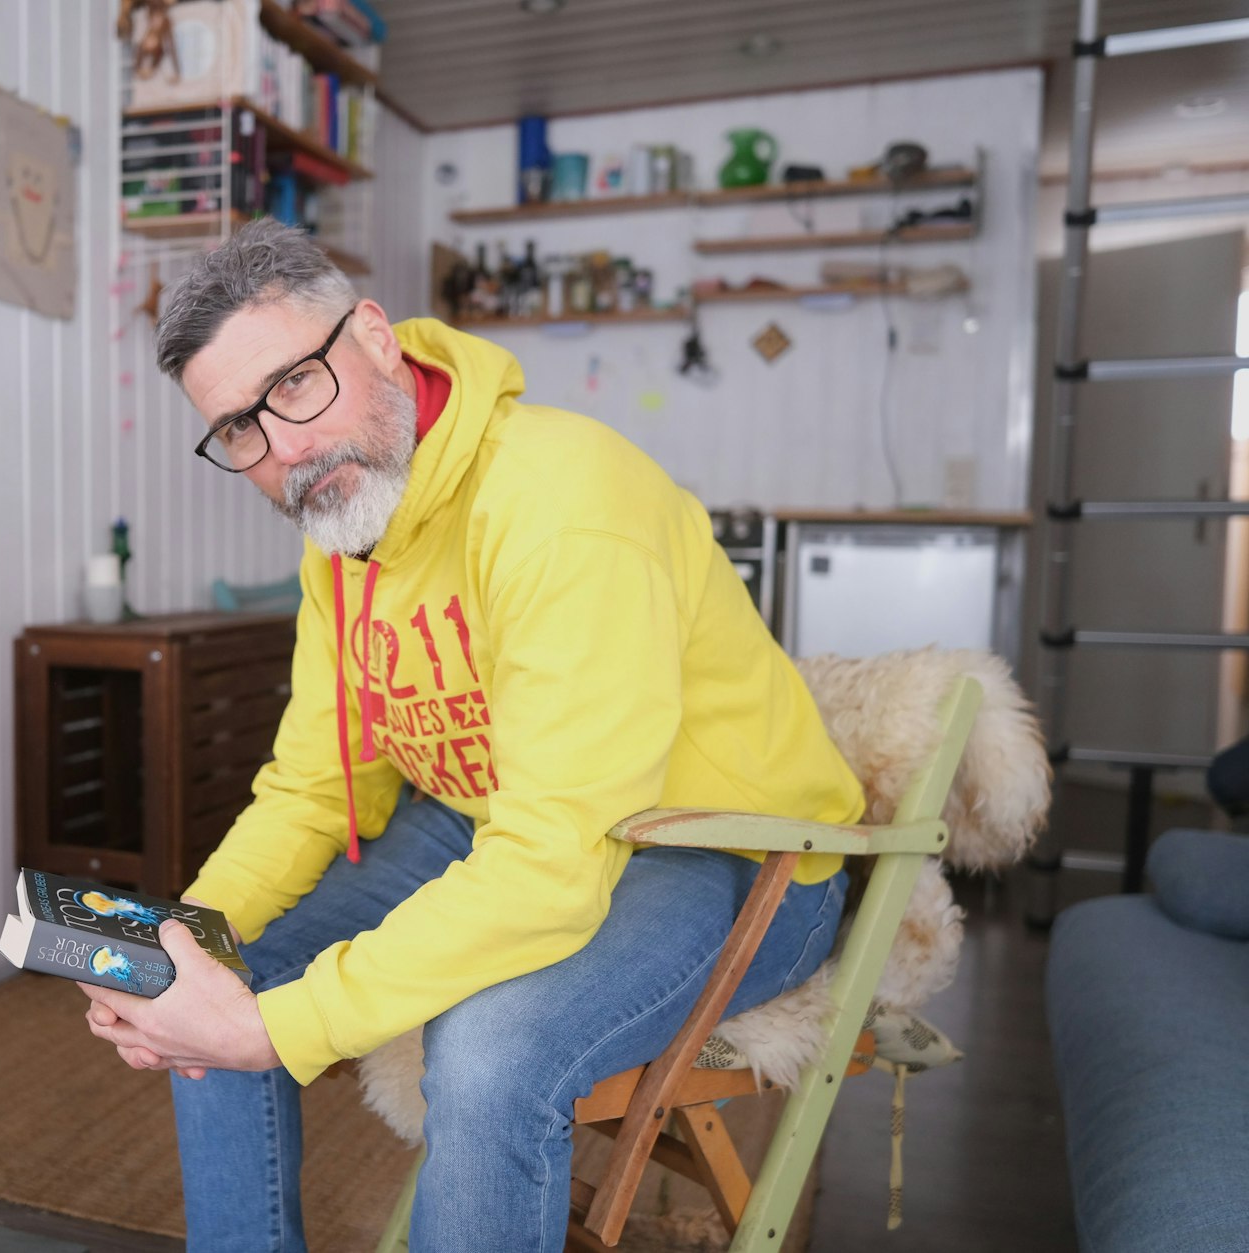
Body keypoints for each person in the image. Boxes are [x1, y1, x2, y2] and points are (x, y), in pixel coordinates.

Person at [78, 219, 865, 1252]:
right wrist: (179, 936)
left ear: (372, 335)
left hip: (725, 847)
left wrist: (277, 1029)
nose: (283, 450)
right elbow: (313, 788)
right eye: (238, 431)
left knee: (489, 1053)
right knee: (211, 969)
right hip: (488, 814)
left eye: (295, 386)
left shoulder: (562, 504)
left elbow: (547, 866)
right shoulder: (343, 534)